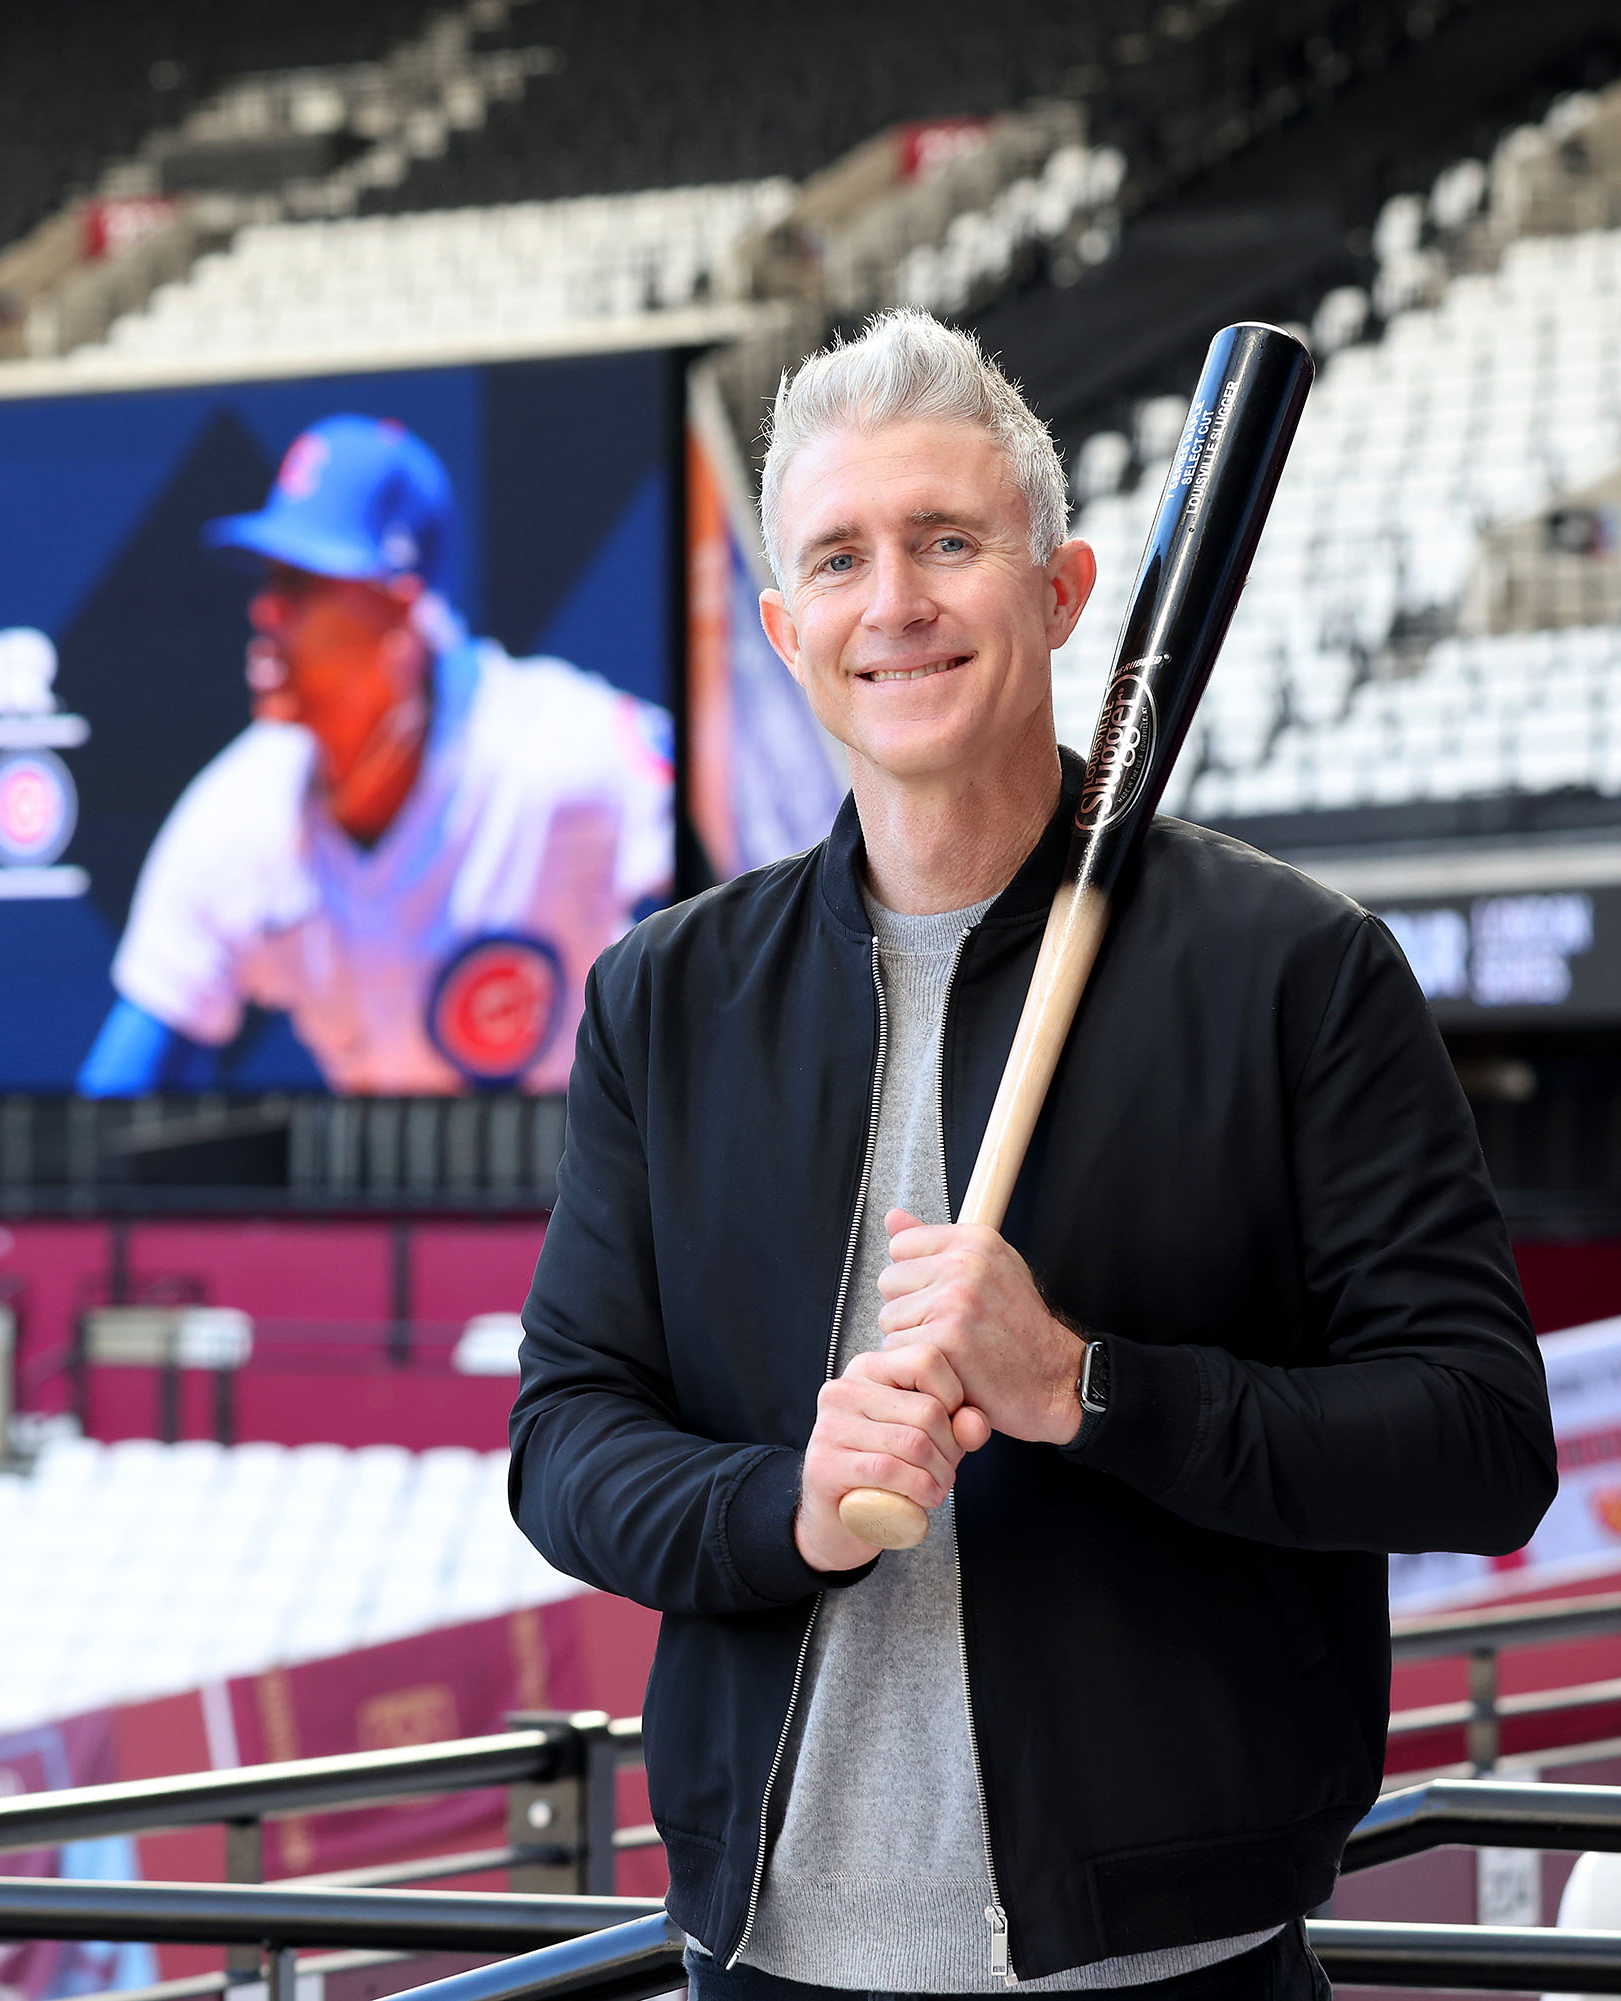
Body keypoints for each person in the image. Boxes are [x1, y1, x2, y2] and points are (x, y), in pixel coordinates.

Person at [509, 312, 1554, 1994]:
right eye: (840, 559)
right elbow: (563, 1439)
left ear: (1062, 589)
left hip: (1170, 1961)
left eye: (946, 541)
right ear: (785, 631)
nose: (896, 601)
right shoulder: (669, 996)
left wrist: (1088, 1388)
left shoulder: (1291, 969)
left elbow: (1480, 1443)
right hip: (767, 1962)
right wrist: (785, 1506)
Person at [80, 415, 676, 1095]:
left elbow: (754, 883)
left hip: (580, 1178)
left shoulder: (560, 752)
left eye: (301, 582)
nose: (266, 613)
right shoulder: (239, 816)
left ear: (403, 614)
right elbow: (117, 1097)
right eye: (268, 579)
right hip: (392, 1191)